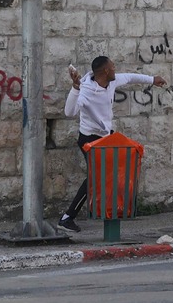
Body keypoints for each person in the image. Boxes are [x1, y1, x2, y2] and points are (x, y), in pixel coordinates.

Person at [59, 55, 167, 233]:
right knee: (96, 178)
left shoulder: (112, 82)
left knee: (108, 174)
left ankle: (108, 210)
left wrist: (152, 80)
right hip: (89, 140)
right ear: (106, 71)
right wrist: (75, 88)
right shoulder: (86, 89)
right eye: (113, 67)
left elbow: (131, 77)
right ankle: (68, 217)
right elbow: (69, 112)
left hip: (105, 138)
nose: (116, 69)